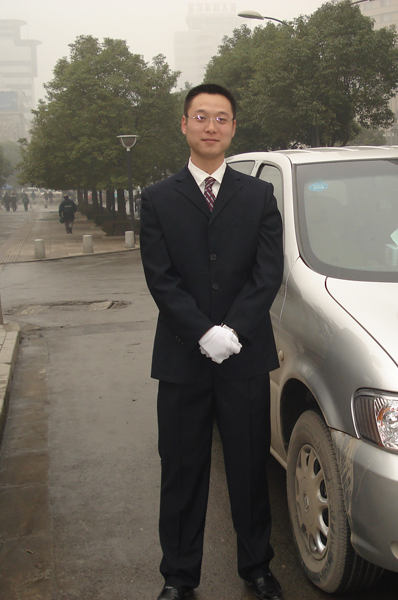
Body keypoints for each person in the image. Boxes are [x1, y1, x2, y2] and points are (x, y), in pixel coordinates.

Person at [140, 83, 283, 600]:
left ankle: (258, 568)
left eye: (221, 118)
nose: (211, 126)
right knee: (181, 470)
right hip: (182, 360)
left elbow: (267, 274)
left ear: (233, 128)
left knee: (248, 467)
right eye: (200, 116)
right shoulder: (158, 198)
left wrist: (233, 331)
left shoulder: (258, 196)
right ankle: (178, 577)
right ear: (184, 124)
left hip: (244, 359)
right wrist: (202, 332)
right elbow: (161, 279)